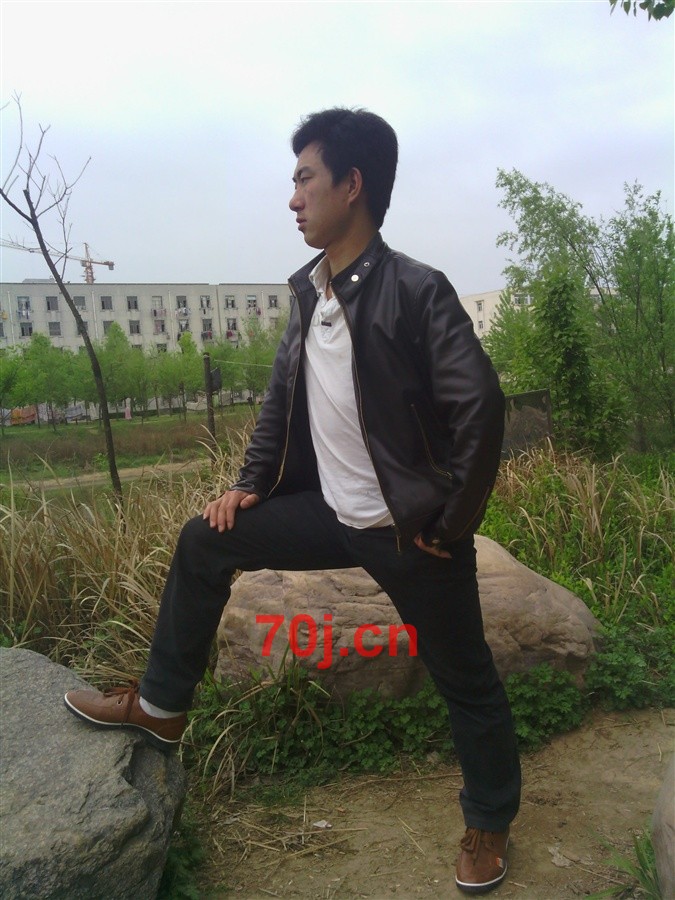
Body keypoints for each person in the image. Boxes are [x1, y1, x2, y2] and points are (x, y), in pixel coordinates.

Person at [65, 107, 521, 894]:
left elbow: (479, 406)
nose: (293, 197)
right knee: (204, 540)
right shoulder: (311, 293)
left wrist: (451, 523)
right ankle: (162, 707)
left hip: (406, 530)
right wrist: (248, 485)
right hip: (329, 515)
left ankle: (488, 819)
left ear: (352, 185)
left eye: (306, 178)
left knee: (466, 680)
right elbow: (282, 401)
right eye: (293, 180)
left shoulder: (415, 289)